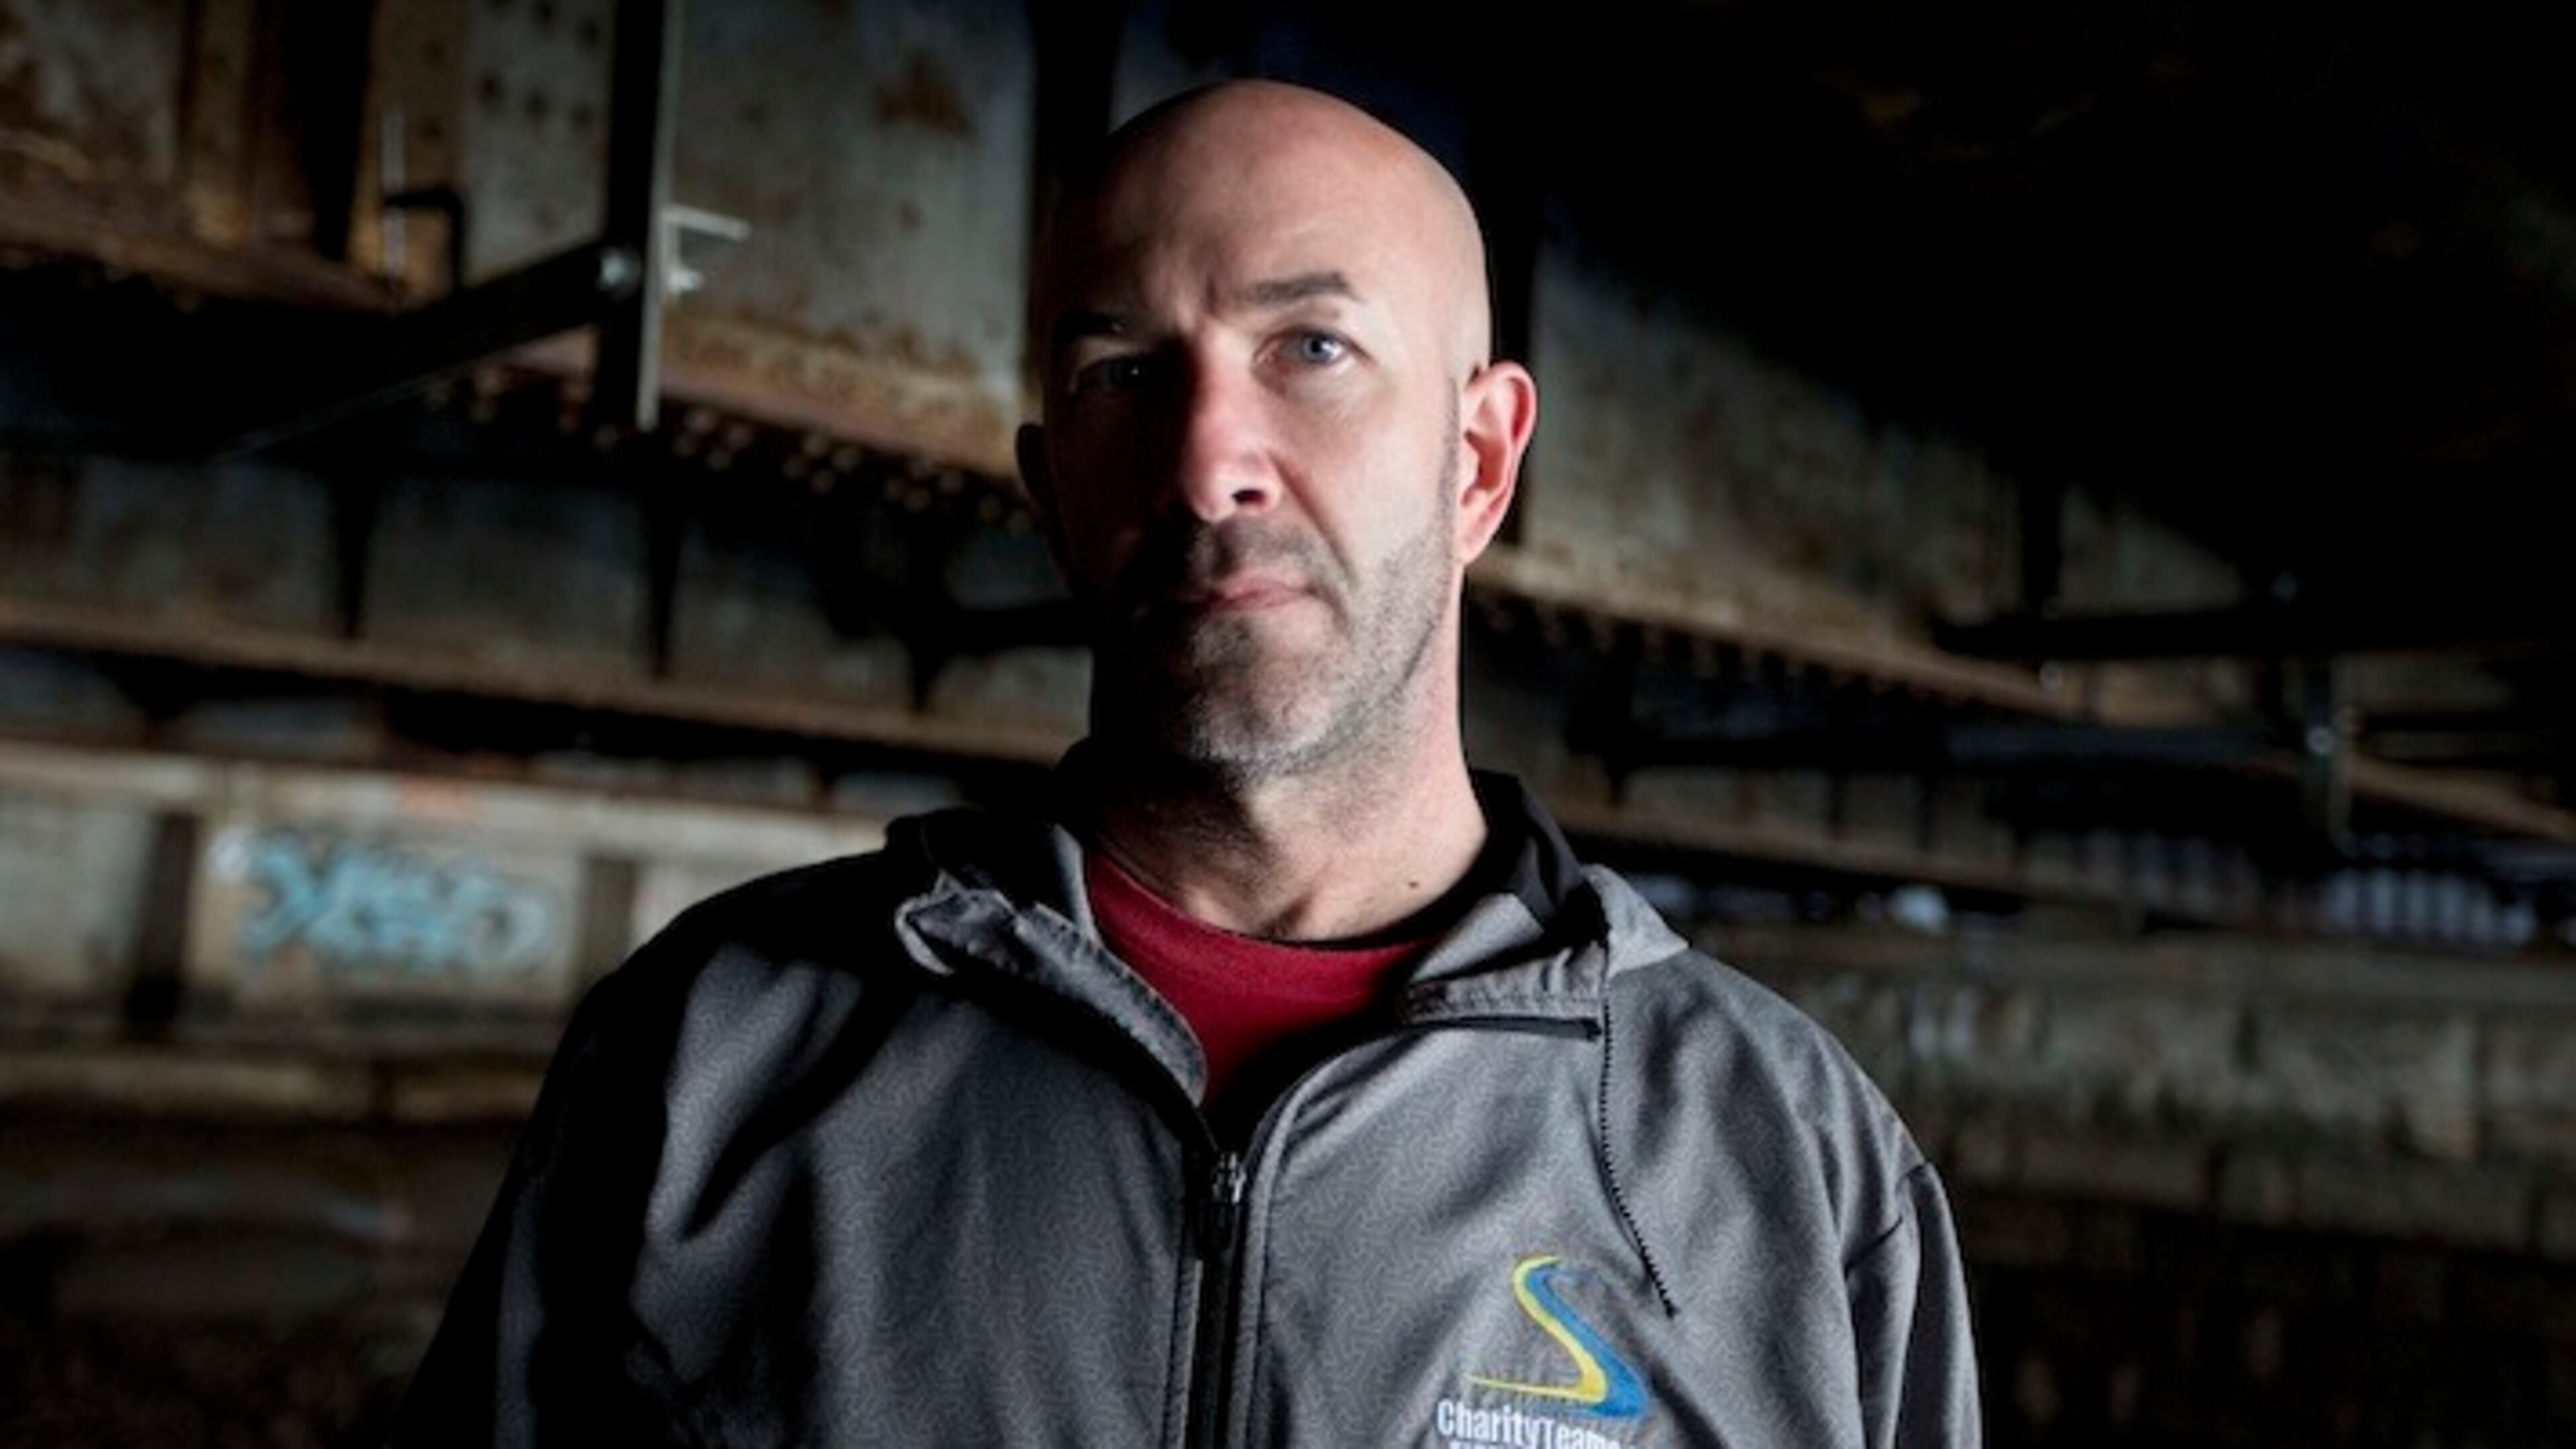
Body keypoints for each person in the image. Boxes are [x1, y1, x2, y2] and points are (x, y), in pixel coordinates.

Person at [390, 80, 1980, 1447]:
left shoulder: (1791, 1173)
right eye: (1122, 374)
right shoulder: (709, 1060)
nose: (1209, 458)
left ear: (1482, 456)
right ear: (1050, 487)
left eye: (1312, 346)